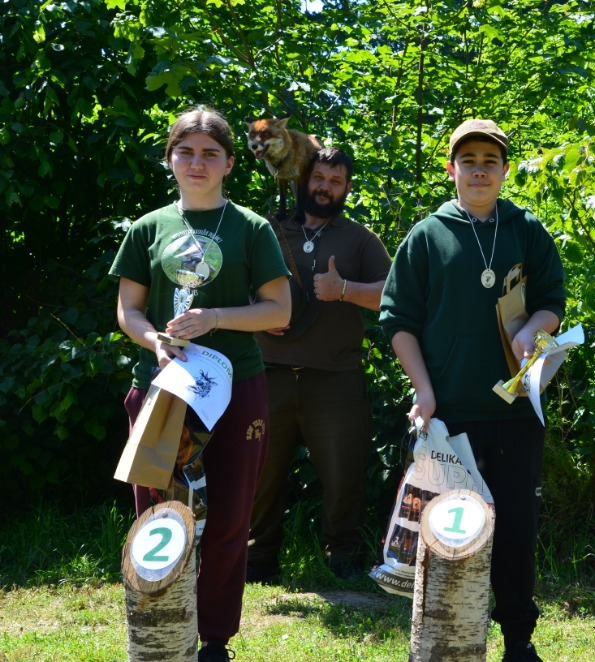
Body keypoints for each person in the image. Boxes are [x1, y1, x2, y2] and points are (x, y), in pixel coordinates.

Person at [379, 119, 566, 662]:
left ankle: (518, 641)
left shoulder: (526, 229)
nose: (480, 169)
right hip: (449, 416)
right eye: (469, 160)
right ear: (452, 169)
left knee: (514, 529)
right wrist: (424, 391)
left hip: (513, 412)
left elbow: (552, 296)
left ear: (506, 170)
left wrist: (535, 328)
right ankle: (445, 635)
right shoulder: (427, 234)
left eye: (490, 160)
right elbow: (398, 320)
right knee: (447, 534)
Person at [110, 106, 291, 662]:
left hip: (236, 390)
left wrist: (213, 318)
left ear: (231, 163)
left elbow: (278, 310)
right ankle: (162, 627)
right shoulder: (148, 228)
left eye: (210, 153)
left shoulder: (252, 229)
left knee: (231, 516)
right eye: (185, 151)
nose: (197, 162)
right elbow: (128, 310)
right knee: (160, 513)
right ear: (169, 159)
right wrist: (154, 342)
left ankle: (214, 638)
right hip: (161, 388)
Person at [248, 147, 391, 582]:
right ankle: (257, 560)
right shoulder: (267, 231)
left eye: (336, 181)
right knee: (259, 472)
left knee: (343, 473)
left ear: (347, 189)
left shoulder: (360, 239)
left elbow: (393, 293)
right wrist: (257, 308)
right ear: (303, 180)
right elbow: (234, 284)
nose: (325, 187)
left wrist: (343, 289)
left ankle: (343, 559)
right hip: (267, 374)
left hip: (335, 379)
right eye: (319, 177)